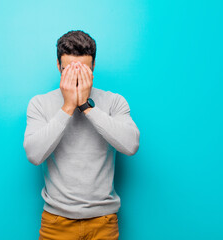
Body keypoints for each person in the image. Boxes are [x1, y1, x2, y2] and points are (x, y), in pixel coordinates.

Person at [23, 30, 140, 240]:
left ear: (93, 66)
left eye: (83, 70)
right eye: (68, 70)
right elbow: (34, 155)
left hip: (103, 221)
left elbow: (131, 146)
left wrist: (87, 107)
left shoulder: (114, 102)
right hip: (56, 222)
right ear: (58, 66)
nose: (76, 76)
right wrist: (68, 106)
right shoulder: (39, 104)